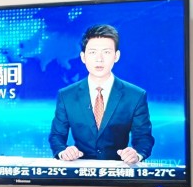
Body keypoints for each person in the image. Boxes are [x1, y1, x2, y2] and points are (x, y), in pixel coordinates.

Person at [48, 24, 154, 164]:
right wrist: (63, 151)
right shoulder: (66, 95)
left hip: (119, 171)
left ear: (116, 56)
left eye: (106, 52)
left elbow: (144, 138)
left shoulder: (135, 95)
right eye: (92, 52)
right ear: (83, 57)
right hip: (80, 171)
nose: (99, 59)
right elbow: (56, 136)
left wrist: (137, 154)